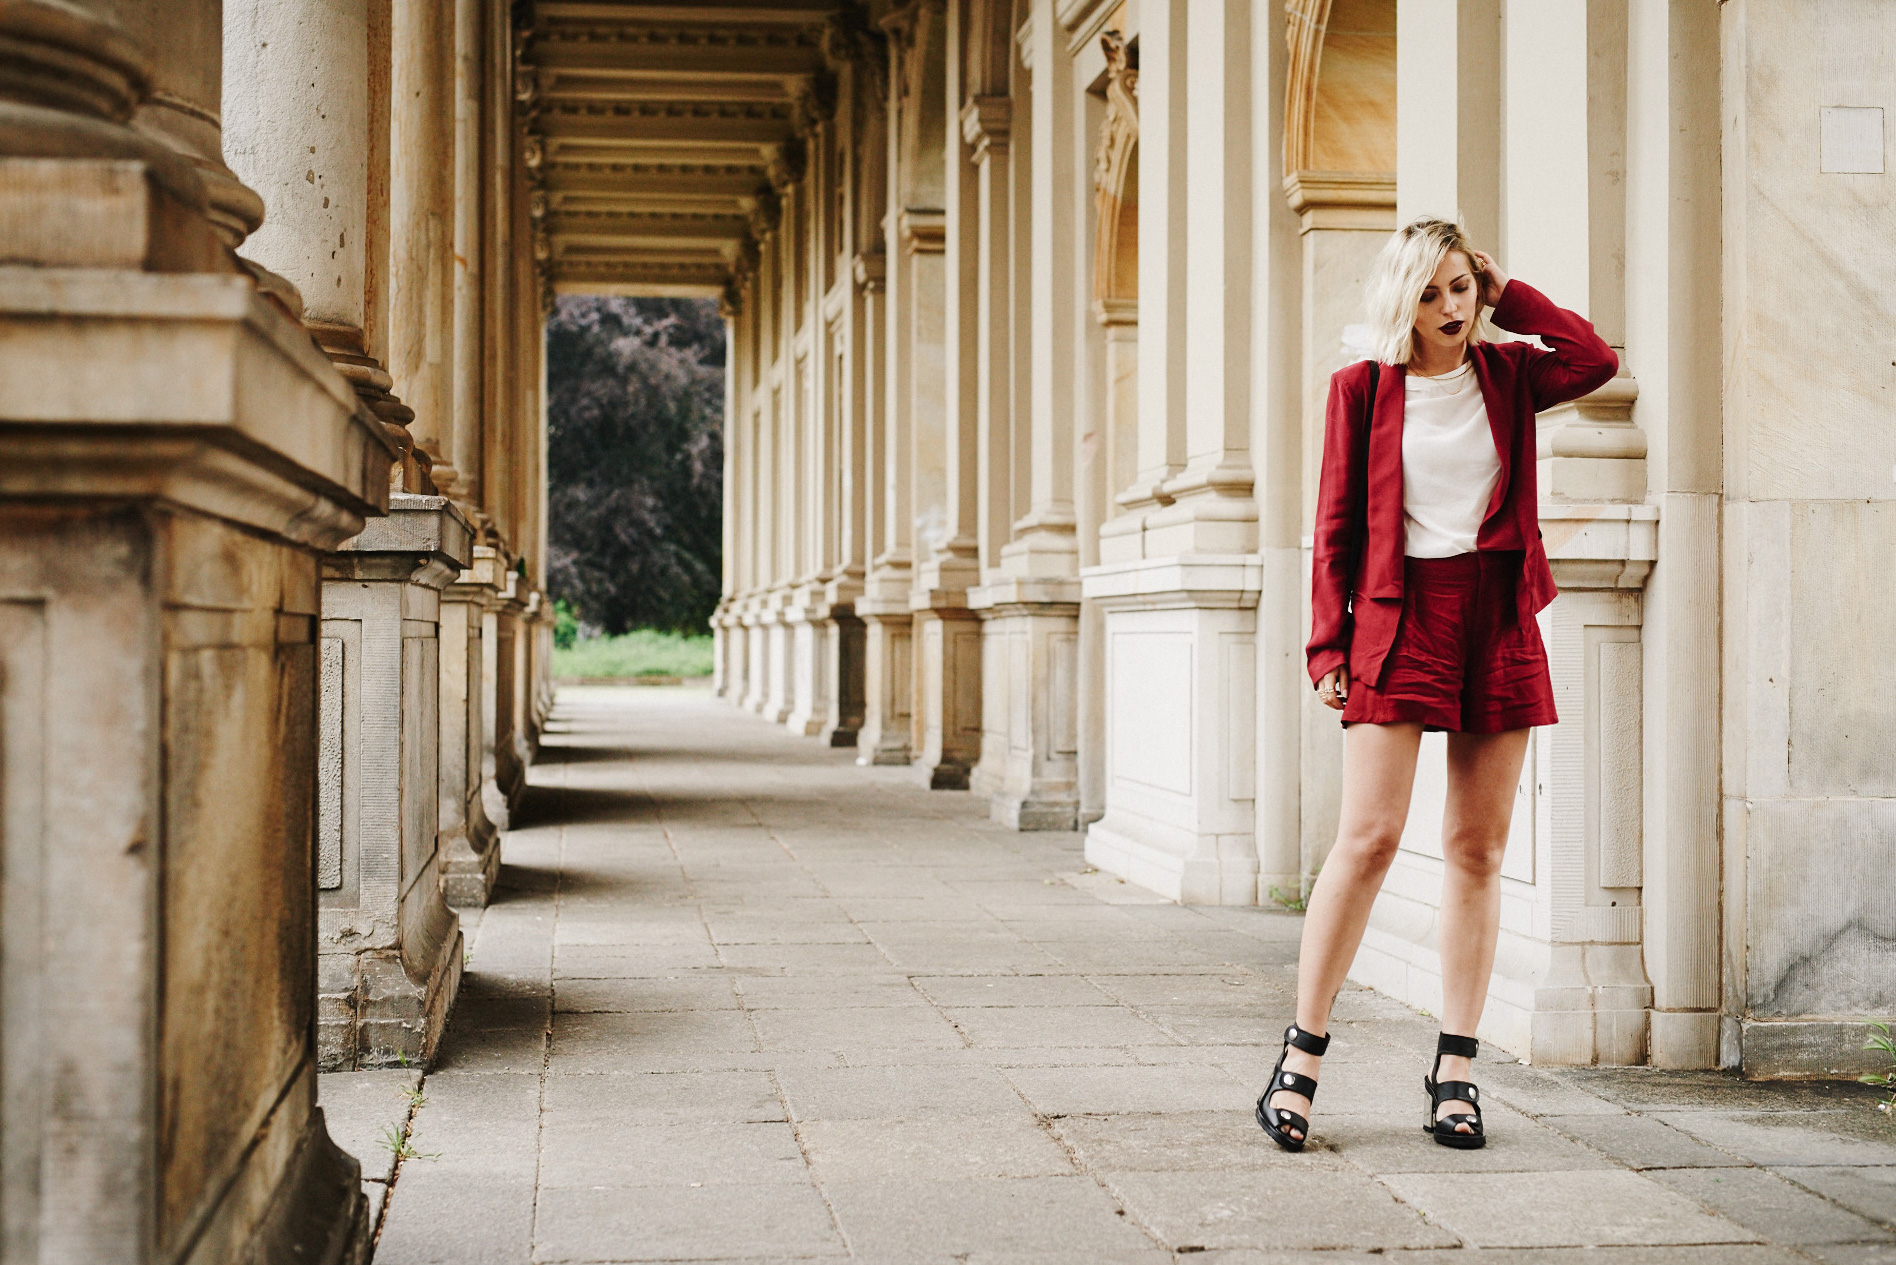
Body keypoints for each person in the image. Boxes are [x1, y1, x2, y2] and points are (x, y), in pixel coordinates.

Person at [1256, 218, 1617, 1152]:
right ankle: (1301, 1056)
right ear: (1401, 301)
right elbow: (1335, 524)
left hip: (1495, 616)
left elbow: (1596, 359)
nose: (1451, 309)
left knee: (1476, 848)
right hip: (1399, 613)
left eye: (1461, 288)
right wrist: (1326, 650)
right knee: (1368, 838)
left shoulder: (1509, 374)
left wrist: (1512, 294)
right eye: (1432, 293)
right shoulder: (1363, 390)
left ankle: (1455, 1067)